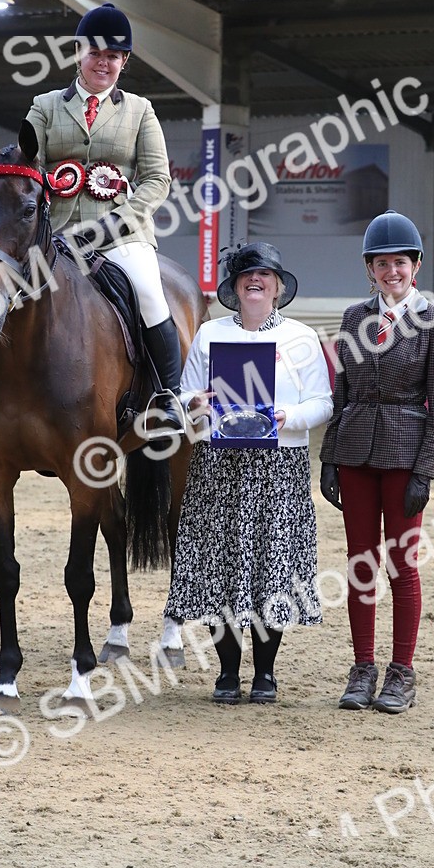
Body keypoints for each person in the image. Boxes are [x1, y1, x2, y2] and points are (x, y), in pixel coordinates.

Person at [0, 1, 183, 434]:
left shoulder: (141, 111)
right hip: (58, 233)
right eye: (95, 53)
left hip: (121, 236)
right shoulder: (46, 106)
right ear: (78, 53)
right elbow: (28, 168)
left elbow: (157, 180)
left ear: (123, 62)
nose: (102, 63)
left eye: (112, 56)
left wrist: (117, 222)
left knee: (149, 293)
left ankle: (168, 397)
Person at [164, 242, 333, 704]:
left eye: (264, 275)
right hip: (219, 464)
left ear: (278, 287)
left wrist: (287, 417)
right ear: (234, 288)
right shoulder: (210, 333)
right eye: (246, 276)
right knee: (219, 566)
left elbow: (323, 402)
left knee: (271, 569)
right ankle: (226, 673)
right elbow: (184, 396)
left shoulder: (301, 337)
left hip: (278, 464)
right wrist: (195, 404)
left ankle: (266, 674)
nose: (255, 281)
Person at [319, 210, 434, 714]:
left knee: (402, 567)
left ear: (415, 266)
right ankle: (362, 669)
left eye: (400, 262)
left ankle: (402, 672)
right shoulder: (355, 318)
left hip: (405, 452)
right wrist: (330, 457)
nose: (391, 271)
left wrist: (425, 471)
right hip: (355, 450)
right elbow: (342, 393)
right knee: (361, 564)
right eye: (382, 263)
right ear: (370, 269)